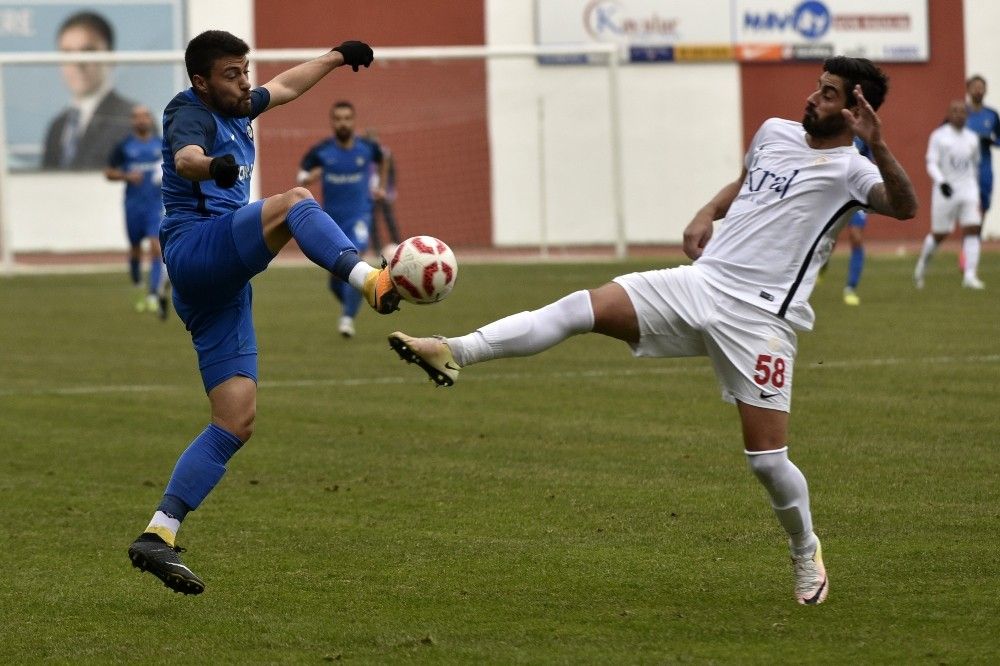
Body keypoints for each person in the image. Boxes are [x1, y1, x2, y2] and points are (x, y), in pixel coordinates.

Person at [389, 56, 917, 605]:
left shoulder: (853, 171)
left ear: (856, 110)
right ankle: (452, 350)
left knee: (767, 461)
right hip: (701, 284)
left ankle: (805, 549)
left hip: (761, 320)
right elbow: (747, 184)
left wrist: (878, 145)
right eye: (818, 87)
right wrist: (707, 211)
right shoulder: (773, 132)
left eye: (829, 94)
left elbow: (904, 206)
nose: (813, 97)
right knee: (580, 308)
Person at [126, 31, 399, 595]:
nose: (244, 82)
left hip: (219, 283)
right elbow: (186, 158)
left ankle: (160, 532)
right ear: (202, 81)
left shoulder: (242, 104)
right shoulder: (188, 111)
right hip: (196, 248)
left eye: (245, 70)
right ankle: (369, 280)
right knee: (295, 201)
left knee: (235, 420)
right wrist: (214, 168)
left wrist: (336, 57)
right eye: (231, 74)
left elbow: (286, 86)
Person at [298, 102, 388, 338]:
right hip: (332, 219)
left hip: (359, 217)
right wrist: (308, 176)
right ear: (332, 122)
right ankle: (357, 300)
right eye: (338, 119)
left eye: (347, 118)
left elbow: (383, 158)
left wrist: (380, 186)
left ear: (354, 120)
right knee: (336, 281)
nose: (343, 123)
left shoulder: (367, 148)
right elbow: (304, 171)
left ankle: (347, 318)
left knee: (355, 260)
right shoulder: (323, 151)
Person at [42, 10, 135, 169]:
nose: (77, 63)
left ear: (111, 57)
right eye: (67, 53)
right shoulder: (57, 126)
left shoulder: (132, 119)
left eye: (88, 51)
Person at [105, 105, 168, 317]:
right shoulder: (124, 146)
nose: (141, 120)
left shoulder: (161, 145)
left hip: (155, 205)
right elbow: (108, 172)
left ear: (150, 119)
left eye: (144, 116)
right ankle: (138, 288)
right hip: (133, 206)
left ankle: (153, 295)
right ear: (132, 121)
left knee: (156, 247)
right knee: (135, 249)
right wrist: (126, 176)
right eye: (137, 117)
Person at [914, 100, 983, 290]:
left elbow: (975, 165)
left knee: (973, 228)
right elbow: (931, 163)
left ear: (967, 115)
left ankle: (970, 276)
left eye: (962, 112)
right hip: (946, 192)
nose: (959, 115)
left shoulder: (972, 138)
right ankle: (922, 266)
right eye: (955, 111)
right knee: (940, 234)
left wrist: (975, 188)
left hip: (968, 190)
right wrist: (941, 181)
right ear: (949, 114)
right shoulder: (939, 136)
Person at [364, 127, 403, 257]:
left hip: (384, 192)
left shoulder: (385, 153)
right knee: (372, 222)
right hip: (370, 194)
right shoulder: (364, 155)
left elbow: (392, 173)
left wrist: (390, 190)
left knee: (389, 219)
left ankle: (399, 245)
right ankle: (377, 249)